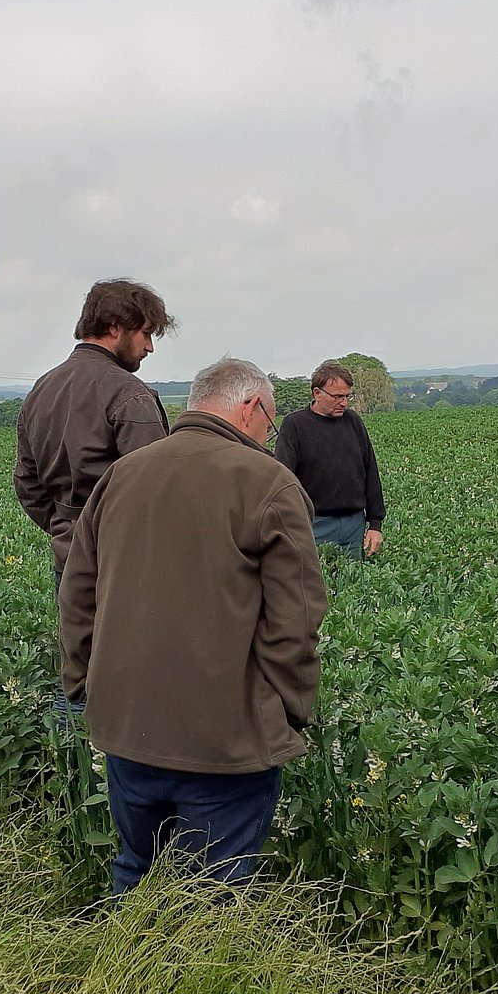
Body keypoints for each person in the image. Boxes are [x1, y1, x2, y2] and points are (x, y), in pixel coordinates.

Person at [60, 357, 327, 894]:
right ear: (251, 407)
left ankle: (118, 974)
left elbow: (77, 593)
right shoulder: (269, 483)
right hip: (223, 737)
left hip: (125, 724)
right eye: (269, 425)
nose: (267, 437)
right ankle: (193, 980)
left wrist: (84, 685)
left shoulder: (122, 474)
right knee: (213, 892)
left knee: (137, 869)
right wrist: (291, 710)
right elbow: (295, 619)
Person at [15, 279, 176, 579]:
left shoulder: (41, 390)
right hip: (125, 568)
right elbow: (156, 493)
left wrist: (67, 527)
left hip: (68, 565)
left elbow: (27, 484)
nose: (150, 347)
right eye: (145, 333)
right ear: (115, 327)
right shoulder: (130, 395)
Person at [274, 361, 386, 559]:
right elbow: (283, 477)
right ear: (317, 393)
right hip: (314, 524)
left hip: (354, 523)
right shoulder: (295, 424)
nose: (343, 402)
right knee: (317, 586)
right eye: (337, 396)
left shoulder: (353, 422)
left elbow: (370, 471)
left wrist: (375, 523)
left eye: (347, 396)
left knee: (353, 585)